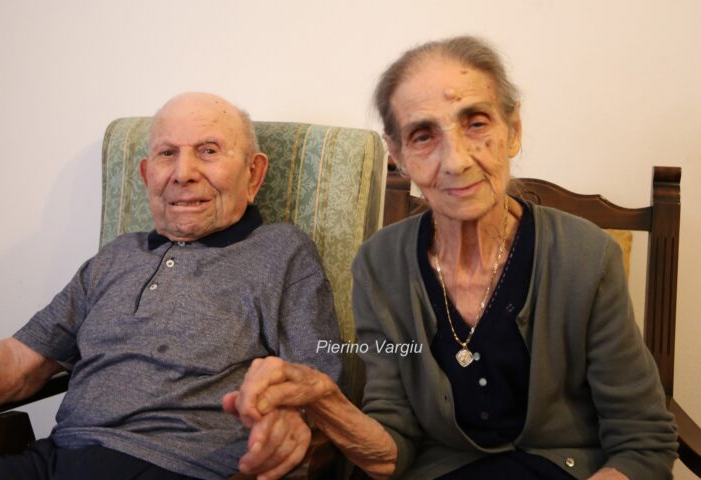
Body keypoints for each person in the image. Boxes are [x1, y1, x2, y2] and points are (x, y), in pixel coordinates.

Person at [225, 37, 678, 480]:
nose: (456, 160)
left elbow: (643, 441)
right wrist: (325, 402)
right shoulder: (378, 264)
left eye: (476, 123)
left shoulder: (586, 254)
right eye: (423, 136)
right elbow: (392, 446)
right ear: (398, 155)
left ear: (513, 130)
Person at [0, 92, 342, 480]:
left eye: (208, 151)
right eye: (167, 154)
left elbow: (319, 381)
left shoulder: (283, 251)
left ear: (254, 173)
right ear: (148, 175)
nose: (184, 174)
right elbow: (23, 358)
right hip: (57, 459)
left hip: (184, 467)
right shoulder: (116, 256)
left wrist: (287, 420)